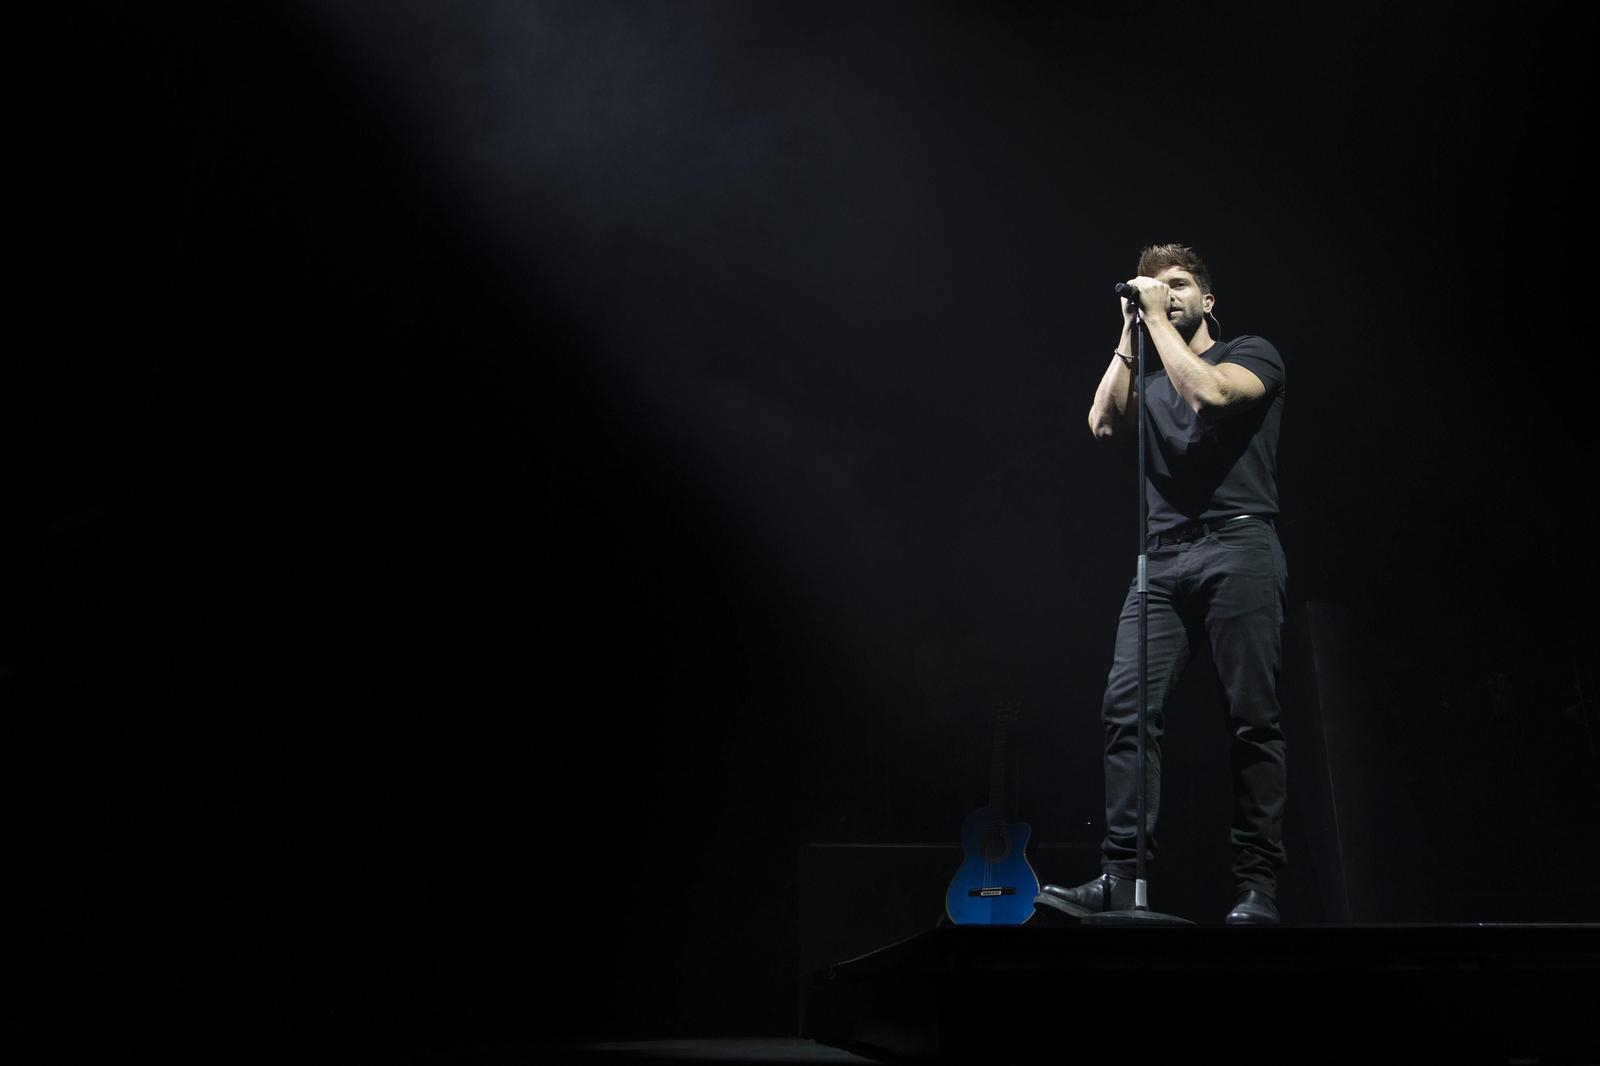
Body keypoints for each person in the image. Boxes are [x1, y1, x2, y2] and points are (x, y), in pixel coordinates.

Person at [1035, 244, 1288, 925]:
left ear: (1207, 300)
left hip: (1239, 546)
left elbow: (1209, 396)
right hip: (1161, 561)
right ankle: (1120, 877)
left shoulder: (1252, 353)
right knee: (1125, 710)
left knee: (1251, 723)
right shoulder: (1148, 373)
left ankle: (1257, 888)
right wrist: (1128, 331)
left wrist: (1158, 324)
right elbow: (1103, 424)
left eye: (1178, 284)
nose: (1164, 292)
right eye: (1155, 285)